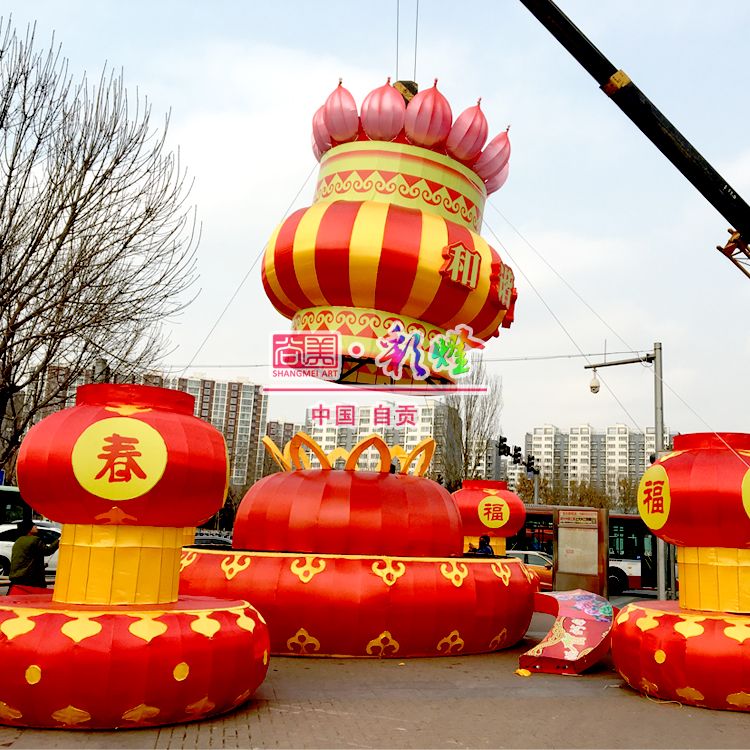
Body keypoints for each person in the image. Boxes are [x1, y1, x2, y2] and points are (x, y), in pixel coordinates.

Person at [8, 521, 59, 591]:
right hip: (30, 578)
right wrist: (59, 540)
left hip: (17, 577)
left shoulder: (18, 540)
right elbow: (47, 551)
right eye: (34, 526)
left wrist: (41, 565)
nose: (36, 527)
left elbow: (26, 558)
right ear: (29, 529)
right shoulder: (34, 540)